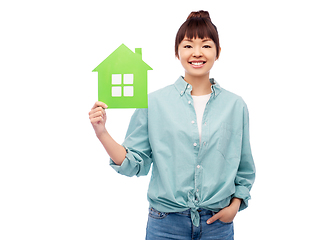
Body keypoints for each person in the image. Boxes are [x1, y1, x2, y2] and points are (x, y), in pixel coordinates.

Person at [89, 10, 255, 240]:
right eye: (188, 45)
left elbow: (244, 167)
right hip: (166, 225)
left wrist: (236, 204)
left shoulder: (236, 106)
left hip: (217, 224)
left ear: (218, 52)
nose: (197, 53)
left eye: (206, 45)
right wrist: (102, 133)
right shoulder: (154, 103)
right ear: (177, 52)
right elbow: (134, 164)